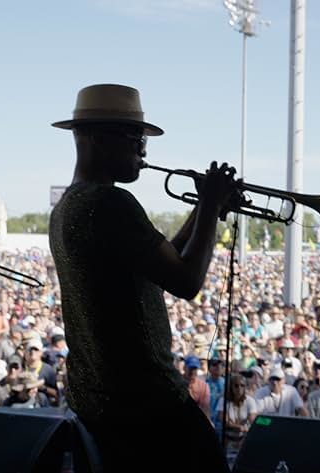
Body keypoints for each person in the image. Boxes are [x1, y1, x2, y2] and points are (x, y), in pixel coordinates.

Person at [49, 84, 237, 472]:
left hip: (104, 404)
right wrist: (211, 205)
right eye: (135, 136)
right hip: (148, 405)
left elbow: (161, 258)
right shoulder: (109, 202)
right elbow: (186, 281)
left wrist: (206, 209)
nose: (144, 149)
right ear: (100, 137)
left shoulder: (69, 205)